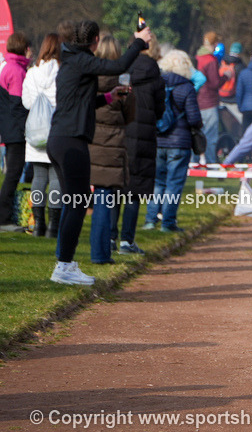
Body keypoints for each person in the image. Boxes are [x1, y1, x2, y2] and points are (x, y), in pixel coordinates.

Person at [48, 20, 152, 284]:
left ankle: (64, 264)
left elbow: (80, 102)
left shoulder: (71, 60)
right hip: (72, 141)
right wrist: (139, 41)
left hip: (60, 139)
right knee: (79, 201)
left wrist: (108, 97)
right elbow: (118, 65)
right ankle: (64, 266)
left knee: (74, 201)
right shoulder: (82, 60)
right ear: (95, 40)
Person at [112, 34, 165, 254]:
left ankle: (110, 238)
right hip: (143, 135)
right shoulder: (155, 74)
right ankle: (127, 241)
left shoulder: (121, 70)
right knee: (134, 190)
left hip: (121, 132)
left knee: (115, 187)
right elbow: (160, 110)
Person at [89, 35, 135, 264]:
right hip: (113, 143)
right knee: (106, 199)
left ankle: (96, 250)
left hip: (91, 142)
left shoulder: (88, 79)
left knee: (93, 198)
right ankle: (102, 251)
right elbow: (130, 115)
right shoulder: (122, 84)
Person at [144, 50, 201, 233]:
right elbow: (194, 119)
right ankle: (168, 222)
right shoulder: (187, 87)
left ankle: (150, 220)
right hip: (179, 142)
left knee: (157, 182)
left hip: (158, 140)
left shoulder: (156, 84)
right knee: (174, 184)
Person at [21, 33, 62, 237]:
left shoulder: (31, 73)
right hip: (56, 130)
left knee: (38, 177)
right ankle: (53, 225)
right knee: (55, 178)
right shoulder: (62, 73)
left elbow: (26, 102)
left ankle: (38, 224)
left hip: (36, 131)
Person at [0, 31, 33, 232]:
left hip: (8, 127)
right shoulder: (17, 70)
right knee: (13, 173)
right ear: (24, 48)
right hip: (15, 130)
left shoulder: (8, 66)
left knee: (12, 172)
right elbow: (18, 104)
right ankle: (4, 218)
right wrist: (26, 130)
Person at [194, 31, 221, 164]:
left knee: (196, 134)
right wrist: (226, 76)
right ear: (214, 43)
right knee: (210, 136)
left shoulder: (197, 57)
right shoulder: (211, 60)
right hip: (209, 102)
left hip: (196, 102)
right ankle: (210, 163)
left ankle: (192, 163)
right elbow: (215, 83)